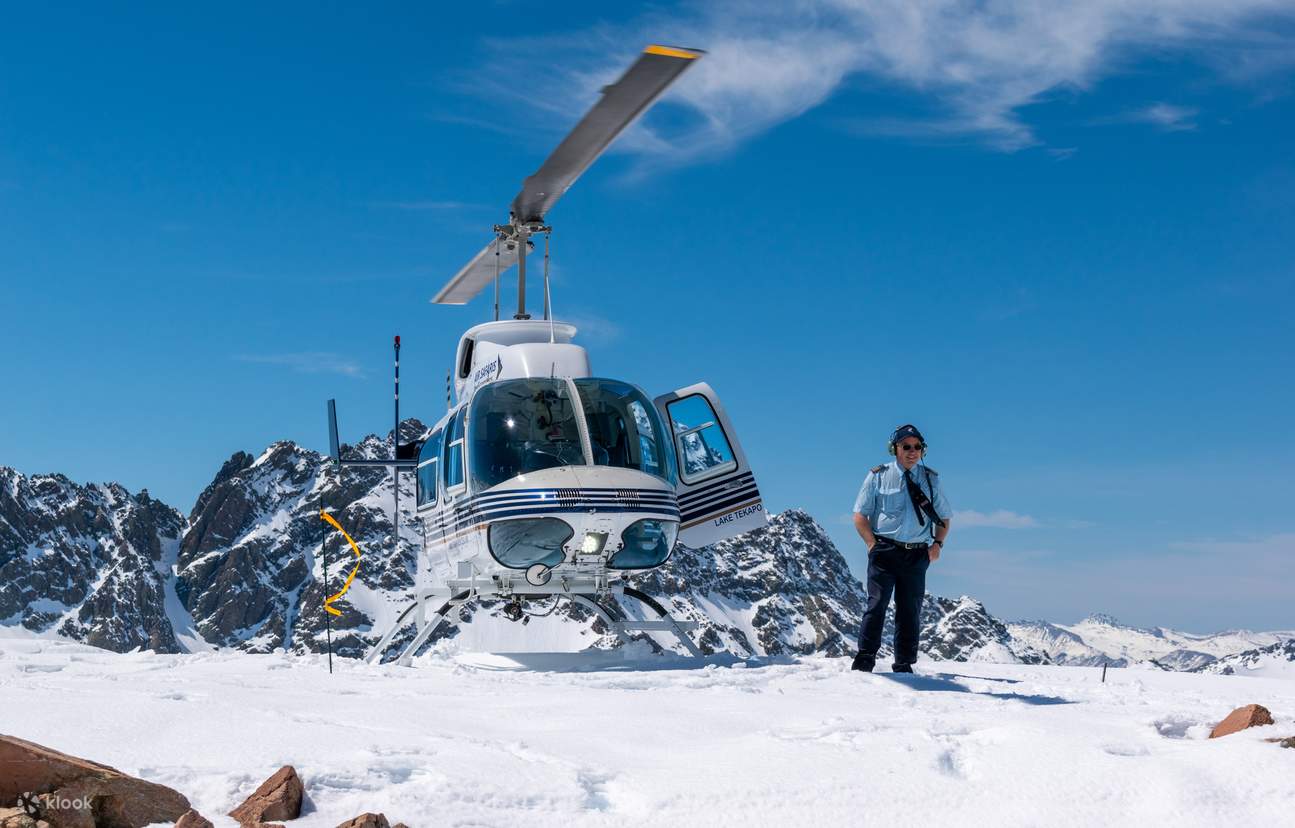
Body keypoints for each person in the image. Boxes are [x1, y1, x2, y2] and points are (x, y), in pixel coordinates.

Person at [850, 424, 952, 673]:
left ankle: (904, 663)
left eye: (917, 446)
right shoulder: (877, 476)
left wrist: (937, 544)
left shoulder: (931, 479)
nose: (912, 451)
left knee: (910, 610)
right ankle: (865, 659)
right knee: (877, 605)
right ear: (894, 448)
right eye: (906, 446)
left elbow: (944, 517)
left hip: (917, 553)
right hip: (885, 551)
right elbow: (859, 515)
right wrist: (872, 544)